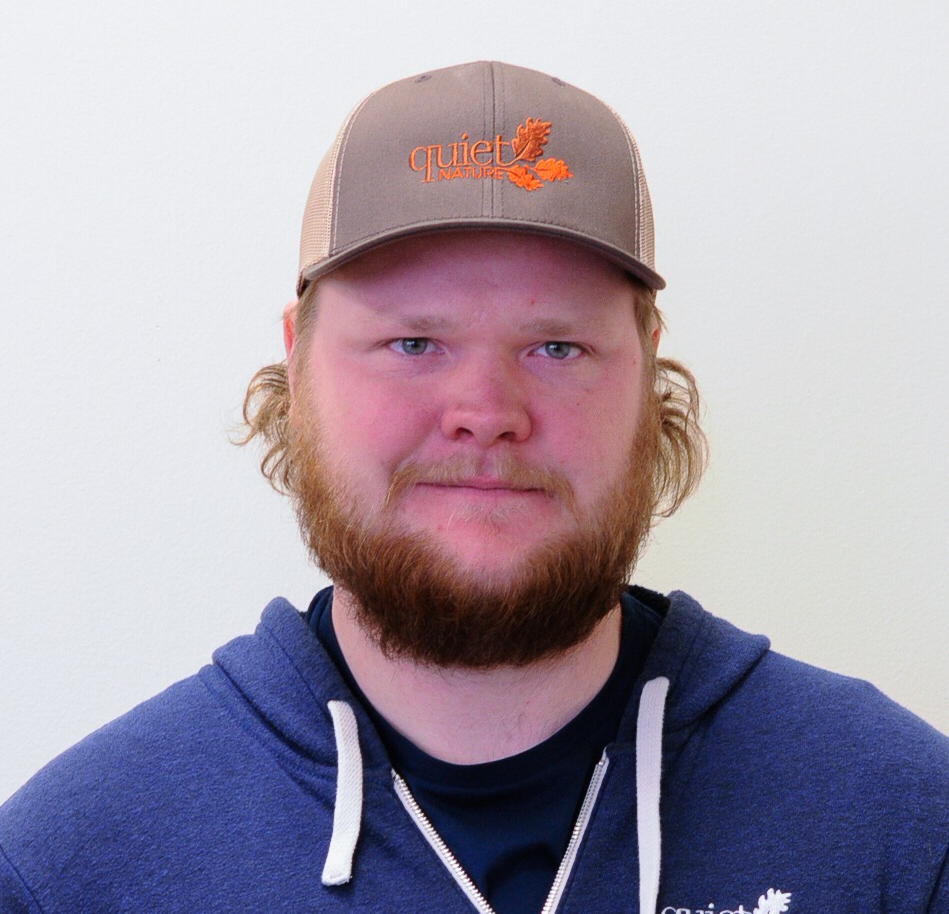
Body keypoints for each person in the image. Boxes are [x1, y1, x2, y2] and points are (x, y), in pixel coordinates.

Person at [1, 61, 946, 914]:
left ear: (647, 371)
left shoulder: (901, 828)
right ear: (297, 367)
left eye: (557, 345)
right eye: (413, 342)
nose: (486, 409)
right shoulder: (72, 866)